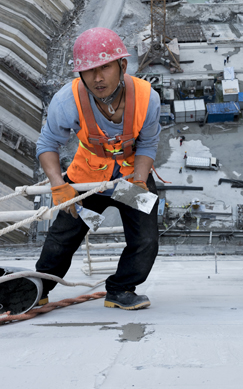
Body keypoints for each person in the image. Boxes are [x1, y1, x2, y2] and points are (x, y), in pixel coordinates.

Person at [34, 27, 161, 310]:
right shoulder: (67, 102)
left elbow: (149, 143)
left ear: (122, 65)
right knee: (64, 236)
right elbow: (47, 144)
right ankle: (37, 288)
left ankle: (121, 289)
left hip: (130, 178)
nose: (98, 77)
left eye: (105, 67)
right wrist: (58, 184)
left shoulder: (147, 97)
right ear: (80, 74)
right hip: (88, 176)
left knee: (145, 239)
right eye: (89, 70)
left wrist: (140, 178)